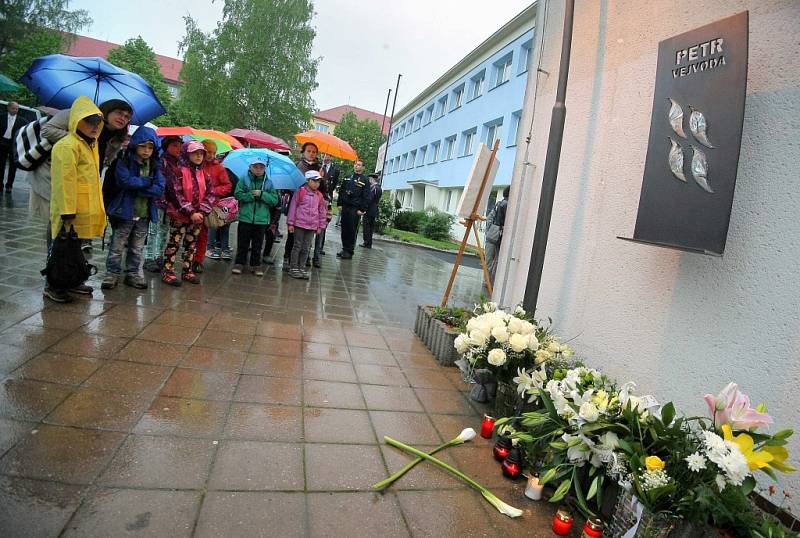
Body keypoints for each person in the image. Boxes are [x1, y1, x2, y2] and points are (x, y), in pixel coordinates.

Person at [30, 100, 132, 251]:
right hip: (55, 173)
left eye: (127, 116)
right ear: (107, 111)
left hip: (86, 179)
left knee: (77, 221)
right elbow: (47, 130)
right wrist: (78, 137)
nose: (123, 118)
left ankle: (75, 251)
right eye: (119, 113)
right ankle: (55, 256)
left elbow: (105, 162)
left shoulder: (116, 137)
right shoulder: (79, 121)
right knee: (60, 219)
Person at [44, 96, 107, 303]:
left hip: (83, 210)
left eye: (98, 122)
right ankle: (53, 285)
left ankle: (71, 281)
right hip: (69, 211)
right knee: (59, 250)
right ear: (77, 120)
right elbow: (65, 182)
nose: (95, 126)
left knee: (74, 250)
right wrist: (67, 211)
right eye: (89, 121)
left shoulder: (91, 145)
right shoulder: (67, 146)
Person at [101, 126, 165, 290]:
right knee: (117, 246)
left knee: (137, 248)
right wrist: (146, 182)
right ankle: (112, 274)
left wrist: (139, 186)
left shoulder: (155, 165)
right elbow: (124, 181)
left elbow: (159, 188)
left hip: (143, 215)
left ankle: (133, 274)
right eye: (143, 146)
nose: (146, 150)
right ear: (135, 145)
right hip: (125, 212)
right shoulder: (124, 160)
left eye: (150, 147)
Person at [161, 140, 215, 286]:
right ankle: (168, 271)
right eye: (194, 153)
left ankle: (187, 270)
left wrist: (202, 212)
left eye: (201, 154)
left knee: (191, 244)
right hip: (180, 215)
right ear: (187, 154)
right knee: (174, 243)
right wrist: (190, 211)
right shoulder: (178, 172)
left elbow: (210, 195)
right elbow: (176, 194)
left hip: (197, 218)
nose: (198, 156)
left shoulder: (205, 175)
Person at [232, 156, 278, 276]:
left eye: (261, 167)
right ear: (250, 167)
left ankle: (255, 264)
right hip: (245, 218)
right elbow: (237, 194)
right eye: (255, 167)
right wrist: (250, 195)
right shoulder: (244, 180)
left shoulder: (269, 183)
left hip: (261, 220)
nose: (258, 169)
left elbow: (274, 200)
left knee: (258, 244)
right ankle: (239, 263)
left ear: (265, 168)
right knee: (243, 243)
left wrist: (262, 195)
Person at [285, 142, 324, 270]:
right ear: (303, 152)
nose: (311, 154)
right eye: (309, 151)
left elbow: (323, 189)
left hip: (313, 208)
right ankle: (289, 260)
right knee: (294, 237)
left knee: (306, 243)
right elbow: (290, 183)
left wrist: (322, 177)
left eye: (314, 152)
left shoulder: (320, 167)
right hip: (298, 204)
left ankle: (302, 264)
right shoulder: (297, 165)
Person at [143, 136, 180, 272]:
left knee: (164, 230)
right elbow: (161, 182)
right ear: (167, 146)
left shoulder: (176, 164)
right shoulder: (161, 162)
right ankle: (149, 257)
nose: (178, 148)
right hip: (158, 201)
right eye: (174, 145)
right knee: (153, 230)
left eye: (179, 145)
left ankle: (159, 256)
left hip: (169, 203)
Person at [287, 170, 327, 279]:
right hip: (299, 224)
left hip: (312, 226)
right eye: (314, 181)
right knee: (297, 246)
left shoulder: (319, 196)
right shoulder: (300, 192)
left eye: (318, 182)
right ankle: (293, 267)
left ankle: (302, 267)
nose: (316, 184)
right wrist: (290, 223)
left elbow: (321, 212)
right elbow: (293, 207)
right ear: (308, 180)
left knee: (307, 247)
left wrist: (321, 226)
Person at [199, 139, 233, 264]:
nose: (211, 155)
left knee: (204, 234)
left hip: (210, 206)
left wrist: (213, 191)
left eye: (214, 153)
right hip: (195, 205)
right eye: (208, 152)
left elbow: (227, 186)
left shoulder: (219, 168)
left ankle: (199, 260)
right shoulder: (196, 165)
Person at [337, 159, 369, 259]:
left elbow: (366, 196)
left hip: (355, 209)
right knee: (344, 228)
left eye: (359, 165)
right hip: (345, 207)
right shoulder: (348, 177)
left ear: (363, 168)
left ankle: (349, 251)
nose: (356, 166)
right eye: (355, 164)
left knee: (352, 230)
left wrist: (362, 209)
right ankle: (344, 248)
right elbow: (341, 191)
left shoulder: (365, 180)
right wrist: (339, 204)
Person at [484, 186, 510, 292]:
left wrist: (488, 230)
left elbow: (489, 218)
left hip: (492, 235)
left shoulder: (499, 203)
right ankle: (489, 283)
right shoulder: (506, 204)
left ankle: (486, 281)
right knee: (496, 261)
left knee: (489, 260)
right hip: (498, 236)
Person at [0, 101, 21, 192]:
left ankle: (9, 185)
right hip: (2, 142)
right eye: (13, 108)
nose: (15, 110)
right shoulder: (2, 117)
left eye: (17, 109)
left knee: (13, 166)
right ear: (8, 108)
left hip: (14, 145)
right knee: (1, 165)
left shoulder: (21, 120)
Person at [361, 173, 382, 248]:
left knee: (366, 226)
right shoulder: (379, 188)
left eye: (369, 179)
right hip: (374, 210)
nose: (368, 181)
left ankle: (366, 242)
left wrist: (364, 208)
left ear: (372, 179)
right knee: (371, 227)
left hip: (369, 210)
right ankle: (369, 242)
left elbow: (369, 199)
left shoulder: (373, 188)